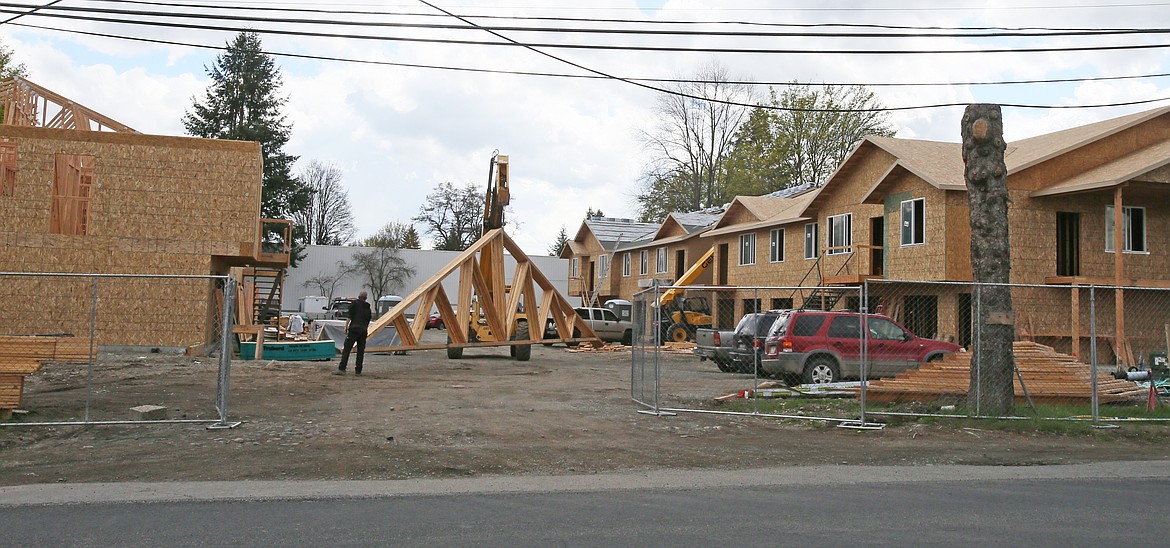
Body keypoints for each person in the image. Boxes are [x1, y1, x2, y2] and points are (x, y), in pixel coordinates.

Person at [334, 291, 373, 376]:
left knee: (347, 349)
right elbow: (368, 319)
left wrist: (346, 327)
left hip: (354, 329)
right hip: (363, 330)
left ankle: (342, 368)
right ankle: (358, 371)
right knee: (360, 350)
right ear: (366, 298)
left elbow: (350, 316)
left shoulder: (354, 304)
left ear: (359, 296)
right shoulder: (368, 307)